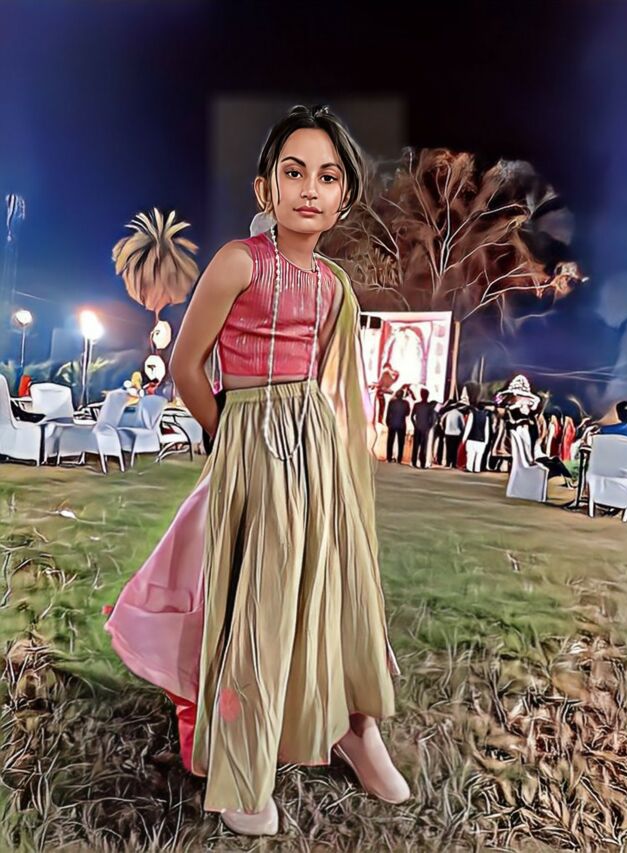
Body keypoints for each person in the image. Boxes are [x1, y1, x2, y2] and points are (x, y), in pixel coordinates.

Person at [102, 105, 409, 837]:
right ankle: (244, 760)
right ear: (265, 188)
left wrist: (326, 453)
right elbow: (186, 365)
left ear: (343, 195)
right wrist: (231, 435)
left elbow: (328, 381)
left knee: (337, 585)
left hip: (317, 452)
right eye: (294, 172)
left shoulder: (334, 285)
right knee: (260, 600)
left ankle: (352, 723)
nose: (310, 189)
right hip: (252, 444)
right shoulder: (240, 261)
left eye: (327, 177)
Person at [410, 388, 436, 468]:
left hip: (418, 428)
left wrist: (415, 425)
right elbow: (433, 419)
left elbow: (412, 417)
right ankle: (422, 463)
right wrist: (429, 427)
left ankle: (414, 462)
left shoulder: (417, 405)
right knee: (423, 447)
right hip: (425, 429)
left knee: (416, 446)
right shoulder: (429, 406)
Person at [461, 402, 490, 472]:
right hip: (482, 440)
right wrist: (486, 440)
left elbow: (468, 427)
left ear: (476, 408)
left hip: (472, 438)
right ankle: (477, 469)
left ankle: (469, 468)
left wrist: (464, 438)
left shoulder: (472, 414)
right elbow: (486, 430)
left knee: (470, 455)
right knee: (479, 456)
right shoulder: (486, 417)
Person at [386, 388, 411, 463]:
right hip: (401, 424)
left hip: (392, 423)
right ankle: (399, 459)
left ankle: (389, 458)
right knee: (401, 442)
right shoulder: (406, 403)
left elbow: (388, 413)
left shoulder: (392, 402)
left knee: (390, 441)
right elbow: (407, 413)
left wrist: (387, 422)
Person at [440, 402, 465, 468]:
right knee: (455, 449)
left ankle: (448, 462)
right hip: (457, 433)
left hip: (448, 433)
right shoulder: (460, 414)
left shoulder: (447, 413)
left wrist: (444, 429)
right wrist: (462, 432)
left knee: (448, 449)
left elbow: (441, 421)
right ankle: (454, 463)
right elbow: (463, 425)